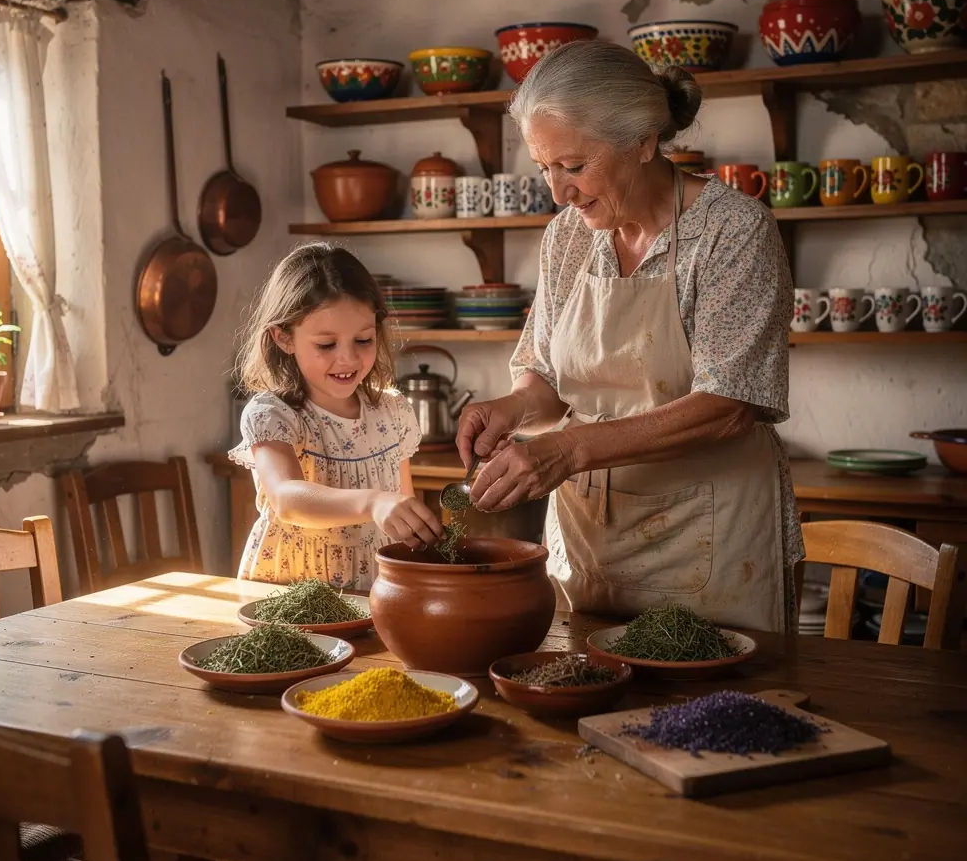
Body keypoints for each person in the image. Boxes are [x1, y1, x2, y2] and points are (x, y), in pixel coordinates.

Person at [456, 39, 802, 632]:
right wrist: (511, 408)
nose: (559, 193)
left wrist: (566, 449)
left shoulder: (731, 232)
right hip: (591, 541)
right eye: (544, 168)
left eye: (574, 166)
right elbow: (546, 375)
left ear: (643, 141)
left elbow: (726, 408)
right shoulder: (567, 236)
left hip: (709, 539)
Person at [229, 243, 442, 590]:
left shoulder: (393, 413)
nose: (348, 359)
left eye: (363, 339)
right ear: (284, 338)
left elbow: (402, 502)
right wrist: (373, 501)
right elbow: (286, 498)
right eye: (327, 345)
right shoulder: (274, 416)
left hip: (373, 585)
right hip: (294, 589)